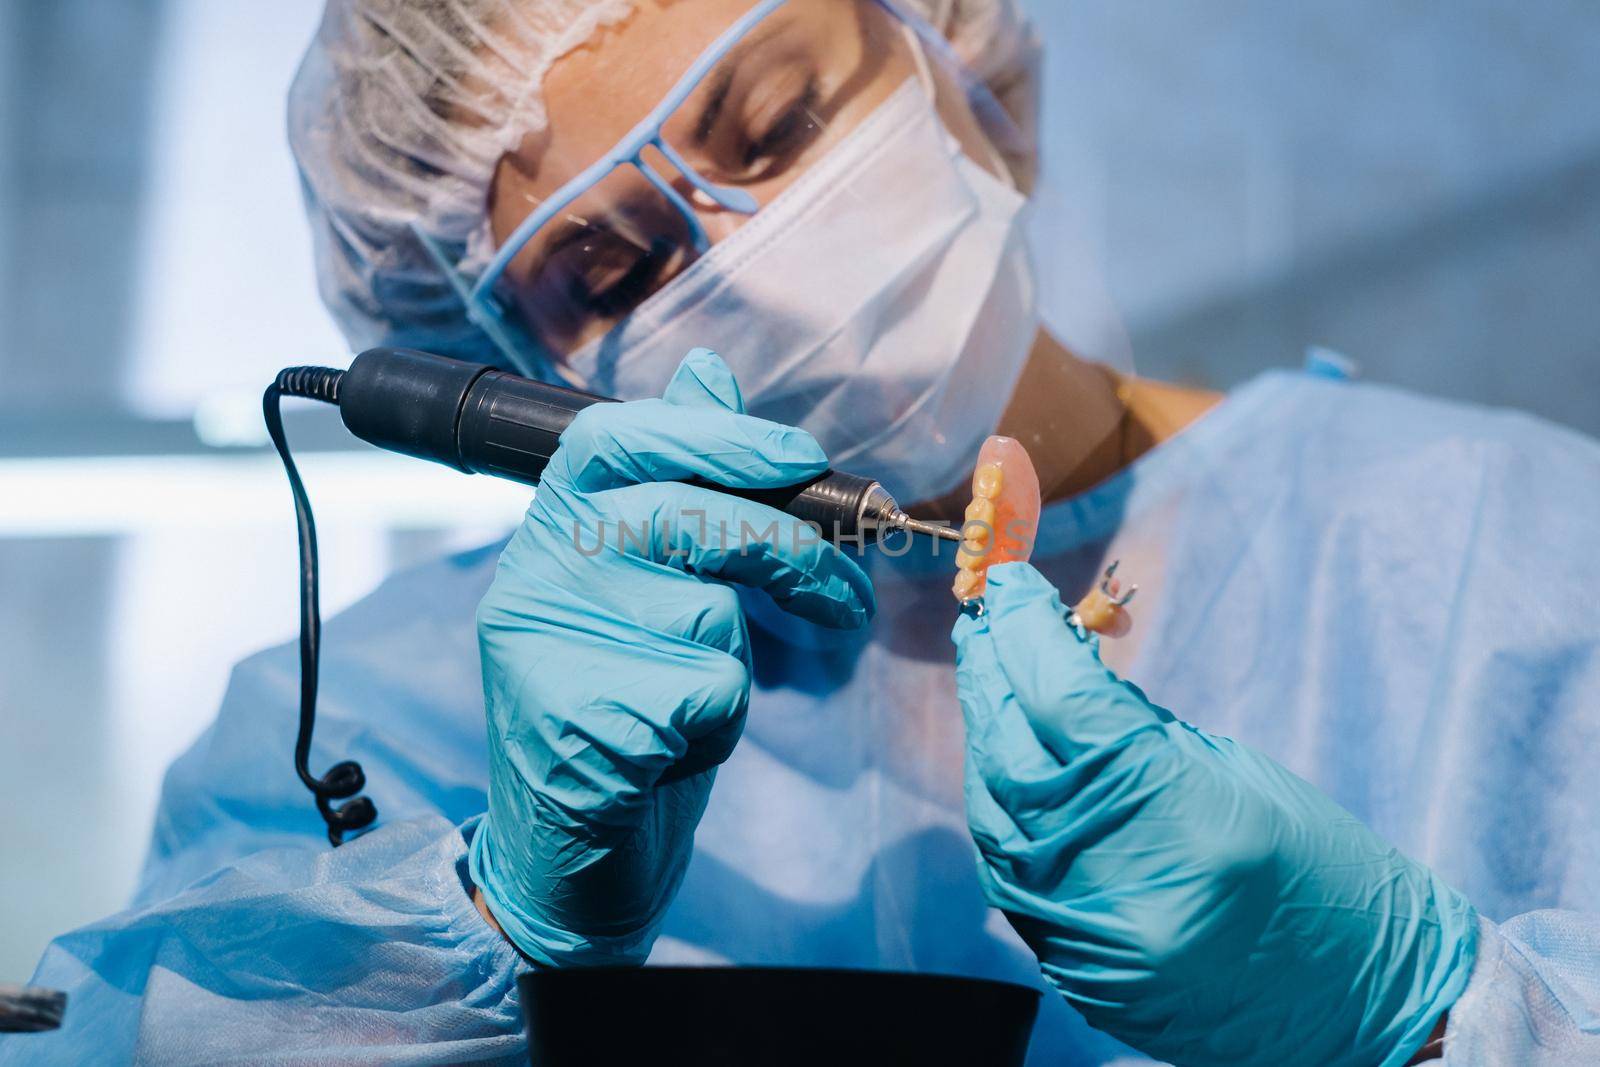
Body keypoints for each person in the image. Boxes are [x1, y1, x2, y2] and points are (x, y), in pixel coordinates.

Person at [4, 1, 1599, 1064]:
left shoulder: (1509, 556)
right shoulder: (396, 717)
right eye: (610, 274)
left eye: (775, 127)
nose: (754, 267)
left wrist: (1426, 1009)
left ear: (968, 83)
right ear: (512, 383)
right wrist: (494, 917)